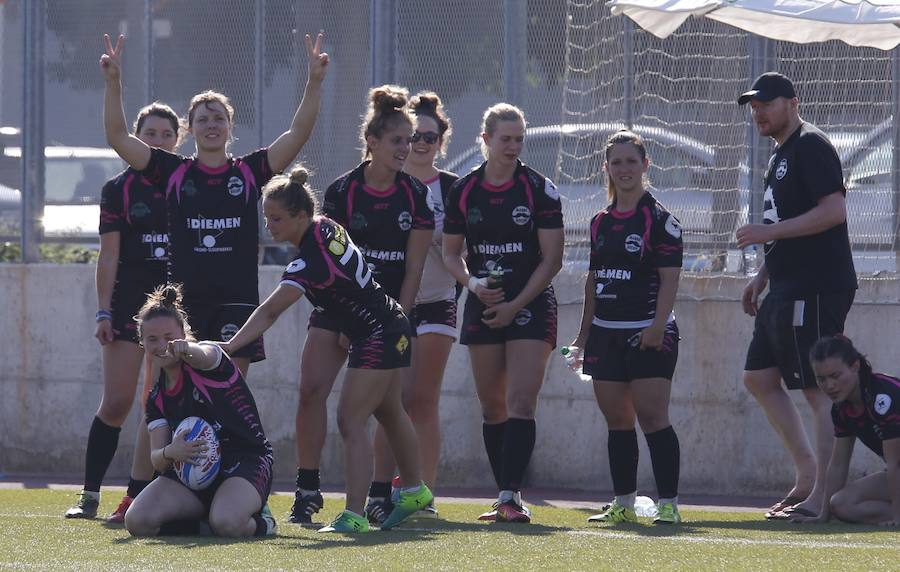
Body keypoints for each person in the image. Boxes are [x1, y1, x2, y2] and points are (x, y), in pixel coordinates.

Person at [99, 32, 328, 378]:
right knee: (176, 400)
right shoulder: (173, 172)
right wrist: (114, 83)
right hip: (184, 307)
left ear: (230, 126)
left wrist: (314, 81)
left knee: (227, 395)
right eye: (203, 120)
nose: (211, 125)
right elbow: (118, 137)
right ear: (189, 129)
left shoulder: (250, 172)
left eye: (219, 118)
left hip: (237, 304)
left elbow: (298, 133)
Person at [221, 166, 433, 533]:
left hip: (378, 331)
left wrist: (231, 345)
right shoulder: (325, 226)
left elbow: (270, 310)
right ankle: (415, 490)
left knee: (350, 420)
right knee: (390, 412)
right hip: (389, 324)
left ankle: (354, 516)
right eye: (267, 217)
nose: (269, 226)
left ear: (301, 216)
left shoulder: (310, 260)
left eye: (277, 218)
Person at [287, 86, 434, 527]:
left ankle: (378, 497)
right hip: (338, 307)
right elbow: (329, 257)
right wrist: (349, 320)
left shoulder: (415, 195)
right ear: (372, 141)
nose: (407, 149)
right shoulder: (344, 191)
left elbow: (413, 270)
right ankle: (307, 490)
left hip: (386, 315)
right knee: (311, 389)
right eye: (398, 141)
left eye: (410, 141)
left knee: (384, 409)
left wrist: (395, 321)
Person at [735, 72, 857, 520]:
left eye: (766, 103)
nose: (759, 112)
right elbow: (789, 224)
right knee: (759, 377)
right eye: (753, 106)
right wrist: (763, 275)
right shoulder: (780, 154)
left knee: (817, 391)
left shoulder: (811, 145)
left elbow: (832, 211)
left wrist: (770, 233)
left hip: (818, 285)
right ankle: (807, 474)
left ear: (792, 102)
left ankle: (823, 494)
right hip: (786, 286)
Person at [442, 103, 564, 523]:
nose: (513, 147)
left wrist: (515, 304)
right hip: (484, 303)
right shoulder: (464, 190)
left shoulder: (538, 188)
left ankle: (512, 496)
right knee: (492, 406)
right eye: (505, 139)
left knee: (520, 402)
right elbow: (450, 253)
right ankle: (503, 495)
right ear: (486, 140)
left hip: (529, 303)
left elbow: (552, 260)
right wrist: (473, 285)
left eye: (519, 139)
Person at [65, 102, 181, 523]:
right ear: (135, 138)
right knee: (116, 402)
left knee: (158, 404)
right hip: (129, 306)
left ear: (177, 139)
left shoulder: (185, 180)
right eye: (149, 133)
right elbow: (109, 256)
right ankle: (89, 494)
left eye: (166, 134)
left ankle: (142, 495)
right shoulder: (118, 188)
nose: (157, 141)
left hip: (175, 308)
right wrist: (102, 312)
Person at [571, 130, 684, 525]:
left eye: (631, 162)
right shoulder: (599, 221)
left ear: (645, 166)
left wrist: (657, 327)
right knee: (617, 420)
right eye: (616, 162)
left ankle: (668, 503)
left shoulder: (661, 220)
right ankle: (624, 502)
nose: (624, 169)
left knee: (653, 416)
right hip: (606, 333)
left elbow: (670, 279)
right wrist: (583, 337)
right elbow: (593, 281)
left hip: (647, 332)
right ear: (607, 168)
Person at [123, 284, 276, 538]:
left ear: (184, 334)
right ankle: (207, 522)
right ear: (142, 343)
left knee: (228, 523)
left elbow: (205, 354)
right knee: (138, 521)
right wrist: (171, 451)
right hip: (191, 471)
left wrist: (188, 349)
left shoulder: (210, 360)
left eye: (169, 337)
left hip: (244, 462)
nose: (162, 345)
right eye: (152, 339)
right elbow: (157, 459)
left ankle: (263, 523)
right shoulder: (156, 397)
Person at [388, 91, 459, 517]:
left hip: (436, 300)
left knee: (421, 397)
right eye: (412, 135)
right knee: (389, 398)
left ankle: (424, 494)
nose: (419, 143)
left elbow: (461, 250)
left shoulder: (452, 188)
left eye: (429, 137)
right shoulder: (385, 182)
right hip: (390, 304)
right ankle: (387, 486)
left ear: (441, 141)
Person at [790, 335, 900, 525]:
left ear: (855, 366)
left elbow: (895, 463)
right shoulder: (842, 409)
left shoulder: (883, 397)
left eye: (835, 376)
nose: (829, 386)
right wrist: (823, 515)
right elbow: (839, 463)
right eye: (821, 379)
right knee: (841, 504)